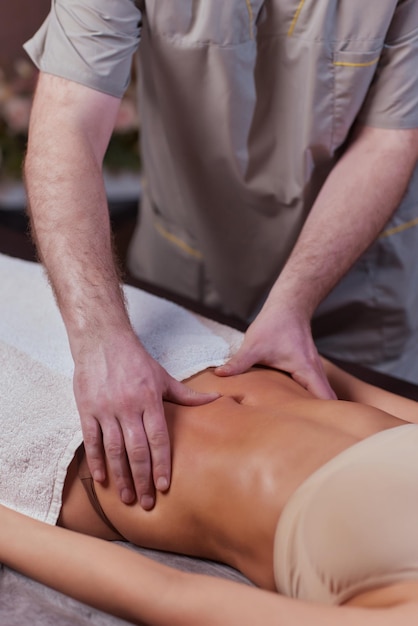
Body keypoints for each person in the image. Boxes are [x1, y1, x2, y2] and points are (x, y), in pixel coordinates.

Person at [22, 1, 418, 509]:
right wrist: (100, 337)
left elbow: (388, 141)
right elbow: (66, 123)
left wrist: (294, 301)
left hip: (356, 286)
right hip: (185, 276)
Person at [2, 358, 418, 625]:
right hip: (196, 349)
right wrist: (306, 359)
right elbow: (365, 398)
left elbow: (170, 595)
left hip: (75, 440)